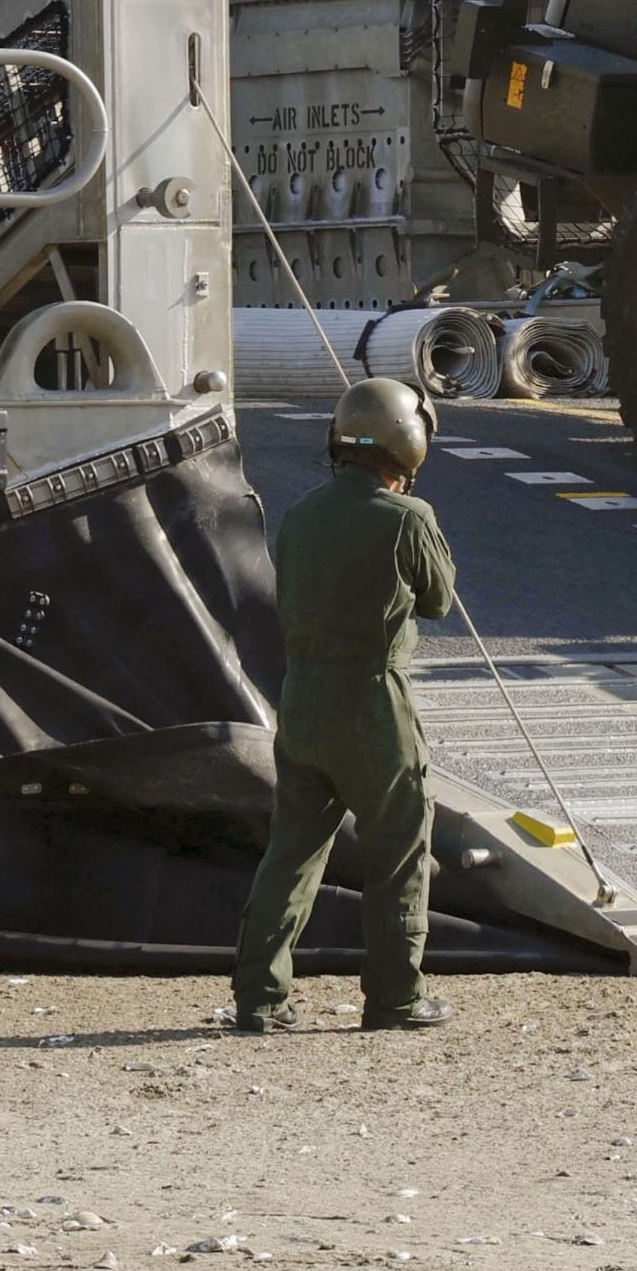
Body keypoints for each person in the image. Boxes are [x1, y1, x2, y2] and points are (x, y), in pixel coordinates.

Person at [231, 375, 458, 1033]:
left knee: (291, 853)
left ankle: (259, 1000)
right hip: (375, 703)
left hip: (302, 700)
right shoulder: (409, 517)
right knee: (399, 853)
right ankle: (395, 999)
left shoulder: (302, 514)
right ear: (409, 441)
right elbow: (439, 600)